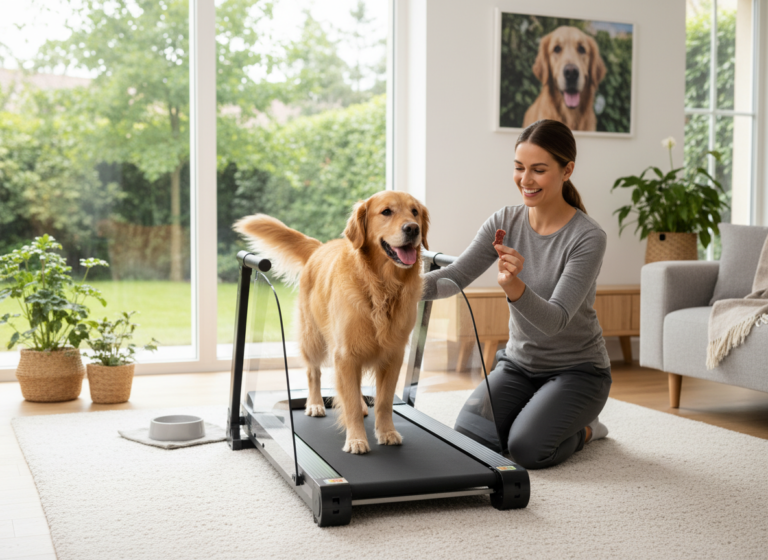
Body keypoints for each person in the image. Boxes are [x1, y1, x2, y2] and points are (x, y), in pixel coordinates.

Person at [422, 119, 611, 470]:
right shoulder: (504, 221)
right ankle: (537, 411)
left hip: (579, 371)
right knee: (469, 441)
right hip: (519, 365)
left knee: (527, 450)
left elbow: (554, 321)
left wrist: (515, 288)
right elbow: (454, 277)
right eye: (519, 168)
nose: (525, 180)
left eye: (538, 170)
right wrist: (391, 289)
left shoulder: (587, 237)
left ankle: (587, 430)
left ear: (567, 170)